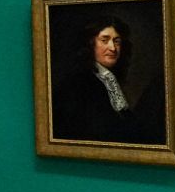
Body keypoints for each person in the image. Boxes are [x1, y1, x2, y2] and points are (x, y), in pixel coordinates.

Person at [51, 15, 165, 144]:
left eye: (117, 41)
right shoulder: (79, 82)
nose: (113, 48)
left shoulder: (108, 78)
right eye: (104, 40)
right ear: (90, 43)